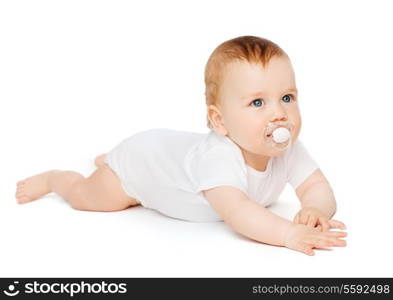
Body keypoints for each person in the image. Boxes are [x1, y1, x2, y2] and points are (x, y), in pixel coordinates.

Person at [15, 35, 347, 256]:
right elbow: (239, 212)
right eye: (258, 103)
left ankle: (107, 160)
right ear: (220, 122)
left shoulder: (287, 149)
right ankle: (59, 178)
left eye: (287, 97)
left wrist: (316, 210)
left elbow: (316, 185)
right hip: (140, 165)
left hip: (167, 154)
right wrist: (288, 234)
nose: (279, 114)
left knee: (165, 159)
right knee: (91, 199)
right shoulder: (219, 158)